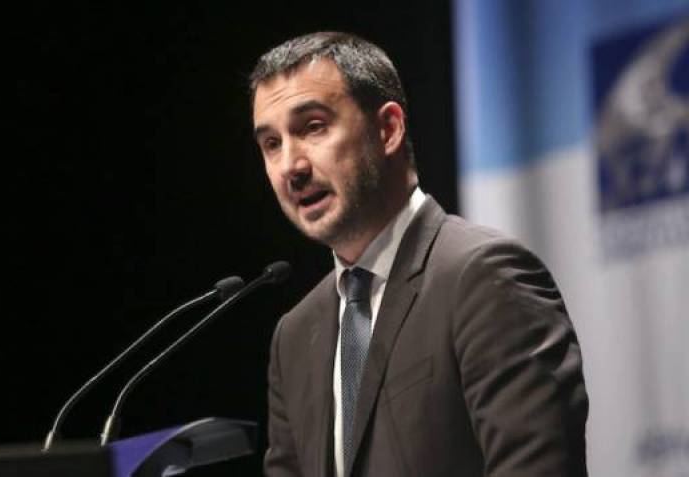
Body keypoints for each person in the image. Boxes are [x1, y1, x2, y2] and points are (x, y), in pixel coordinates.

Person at [250, 32, 588, 477]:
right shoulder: (294, 336)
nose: (291, 166)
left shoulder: (484, 278)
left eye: (313, 127)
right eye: (272, 144)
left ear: (388, 129)